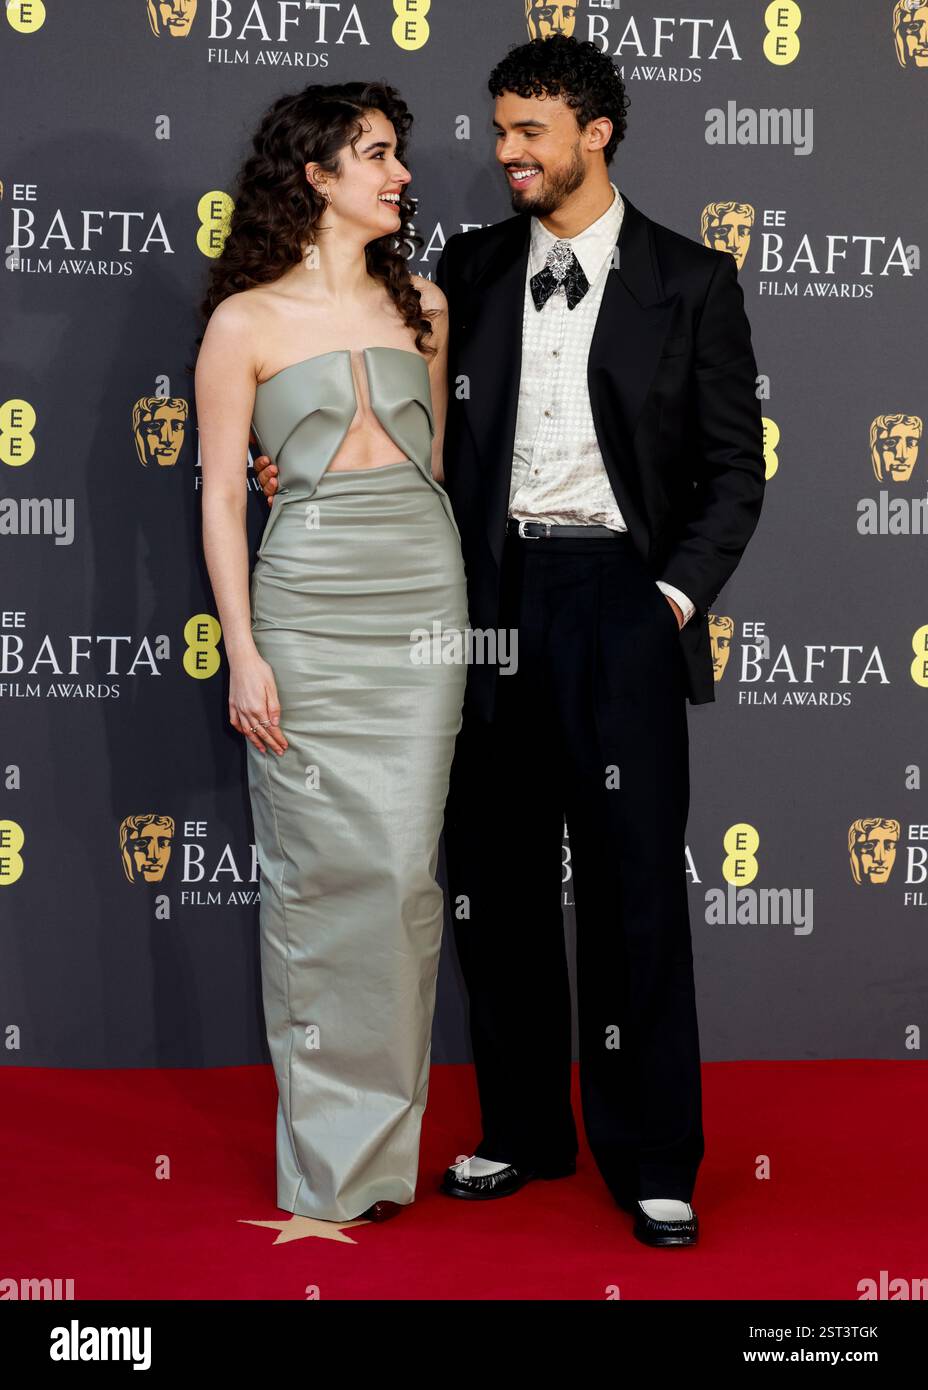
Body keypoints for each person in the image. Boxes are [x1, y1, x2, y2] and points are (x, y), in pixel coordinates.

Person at [256, 36, 766, 1248]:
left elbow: (734, 474)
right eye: (496, 132)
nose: (505, 154)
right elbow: (386, 407)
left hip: (621, 599)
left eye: (527, 131)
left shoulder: (690, 281)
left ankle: (653, 1153)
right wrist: (301, 468)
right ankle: (525, 1128)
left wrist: (670, 602)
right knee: (493, 878)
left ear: (595, 132)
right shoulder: (467, 270)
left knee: (636, 882)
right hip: (484, 597)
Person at [196, 81, 467, 1225]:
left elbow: (433, 474)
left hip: (419, 606)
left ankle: (383, 1156)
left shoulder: (427, 306)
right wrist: (243, 654)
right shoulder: (243, 323)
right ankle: (326, 1170)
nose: (399, 175)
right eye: (374, 155)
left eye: (396, 155)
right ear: (314, 175)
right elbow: (217, 498)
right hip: (302, 610)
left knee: (402, 881)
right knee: (315, 881)